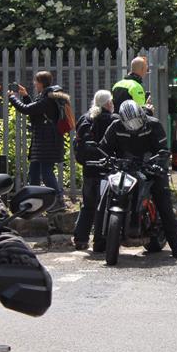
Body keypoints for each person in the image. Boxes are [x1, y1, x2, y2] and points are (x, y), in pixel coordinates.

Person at [100, 101, 177, 258]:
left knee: (164, 203)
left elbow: (163, 150)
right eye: (129, 123)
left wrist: (159, 164)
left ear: (142, 115)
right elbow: (103, 148)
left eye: (137, 121)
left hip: (150, 167)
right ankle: (99, 243)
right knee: (105, 195)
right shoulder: (115, 126)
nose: (134, 125)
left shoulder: (153, 125)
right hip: (124, 168)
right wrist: (102, 160)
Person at [7, 71, 68, 213]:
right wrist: (25, 96)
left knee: (46, 172)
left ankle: (59, 201)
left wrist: (12, 98)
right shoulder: (44, 97)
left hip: (48, 142)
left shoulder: (49, 99)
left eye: (36, 81)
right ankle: (34, 200)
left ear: (41, 83)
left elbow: (27, 109)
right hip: (41, 142)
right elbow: (36, 111)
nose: (34, 84)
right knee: (33, 172)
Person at [72, 90, 119, 251]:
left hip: (89, 168)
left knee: (88, 204)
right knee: (103, 206)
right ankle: (100, 242)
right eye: (111, 102)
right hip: (107, 169)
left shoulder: (85, 118)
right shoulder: (114, 120)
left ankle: (80, 239)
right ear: (107, 104)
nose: (113, 105)